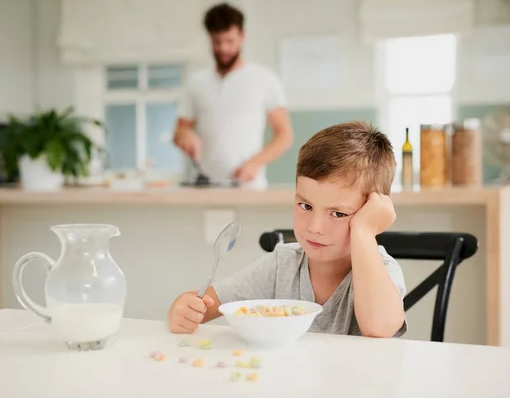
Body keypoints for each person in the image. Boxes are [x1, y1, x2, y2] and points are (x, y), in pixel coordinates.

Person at [168, 121, 407, 338]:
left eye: (338, 213)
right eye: (305, 206)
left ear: (371, 211)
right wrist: (185, 308)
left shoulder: (383, 271)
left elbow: (379, 327)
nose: (315, 227)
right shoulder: (283, 264)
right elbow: (204, 304)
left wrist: (364, 233)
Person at [173, 3, 294, 189]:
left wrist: (255, 163)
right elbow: (179, 131)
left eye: (229, 41)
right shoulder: (196, 83)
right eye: (217, 42)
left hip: (249, 187)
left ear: (242, 37)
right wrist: (185, 135)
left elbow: (284, 135)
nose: (223, 48)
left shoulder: (264, 79)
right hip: (205, 186)